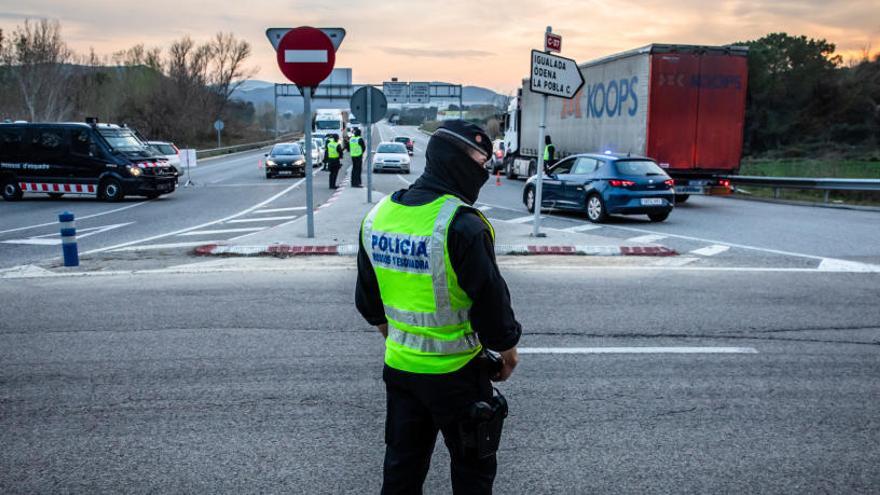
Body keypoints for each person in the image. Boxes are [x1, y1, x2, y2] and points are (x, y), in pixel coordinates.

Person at [356, 120, 522, 494]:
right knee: (472, 475)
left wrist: (402, 339)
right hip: (460, 376)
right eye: (480, 162)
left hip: (400, 372)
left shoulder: (377, 217)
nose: (486, 170)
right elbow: (492, 305)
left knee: (401, 472)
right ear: (457, 164)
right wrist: (508, 354)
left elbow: (370, 303)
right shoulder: (461, 224)